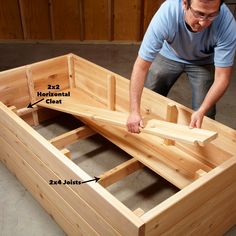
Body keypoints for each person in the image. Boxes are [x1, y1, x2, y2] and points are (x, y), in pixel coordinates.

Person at [127, 0, 236, 133]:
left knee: (206, 115)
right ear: (185, 4)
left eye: (211, 15)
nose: (204, 22)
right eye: (199, 14)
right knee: (149, 97)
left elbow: (222, 78)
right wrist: (134, 111)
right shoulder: (167, 12)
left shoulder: (227, 22)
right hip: (170, 54)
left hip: (203, 61)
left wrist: (201, 111)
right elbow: (140, 66)